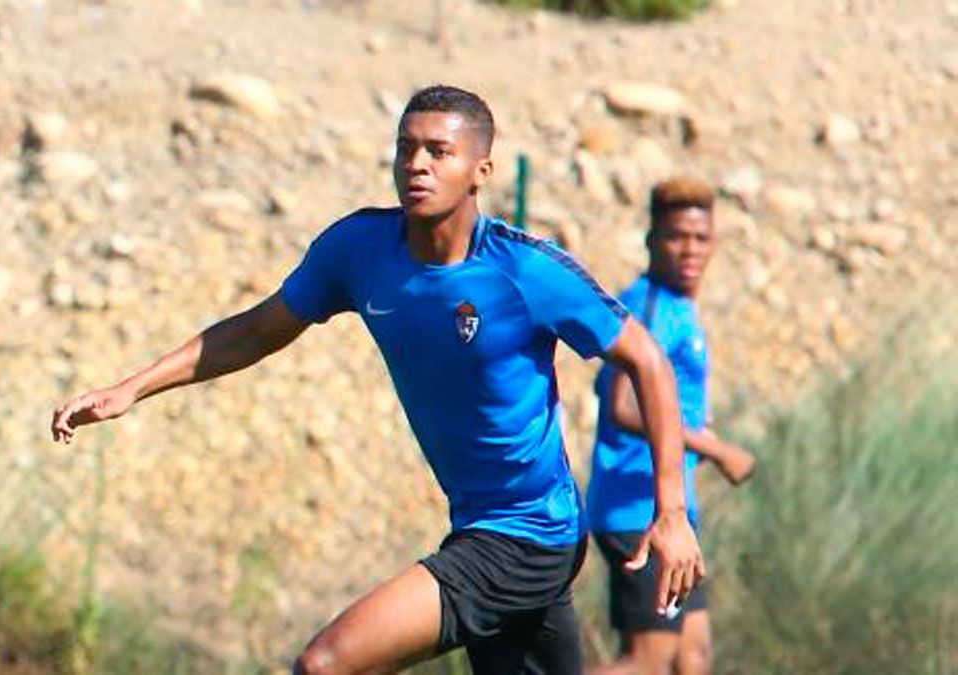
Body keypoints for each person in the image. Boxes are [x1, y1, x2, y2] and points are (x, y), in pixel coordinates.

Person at [51, 85, 704, 674]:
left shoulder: (524, 272)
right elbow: (255, 330)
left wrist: (671, 513)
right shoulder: (358, 252)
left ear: (480, 171)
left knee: (327, 663)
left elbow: (644, 358)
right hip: (489, 527)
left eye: (438, 151)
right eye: (406, 148)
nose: (416, 164)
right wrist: (130, 387)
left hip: (527, 534)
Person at [586, 178, 757, 675]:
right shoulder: (648, 307)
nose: (689, 249)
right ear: (651, 240)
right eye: (676, 236)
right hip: (637, 513)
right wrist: (717, 449)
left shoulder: (680, 308)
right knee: (647, 662)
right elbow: (622, 405)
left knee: (693, 658)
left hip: (673, 514)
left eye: (700, 238)